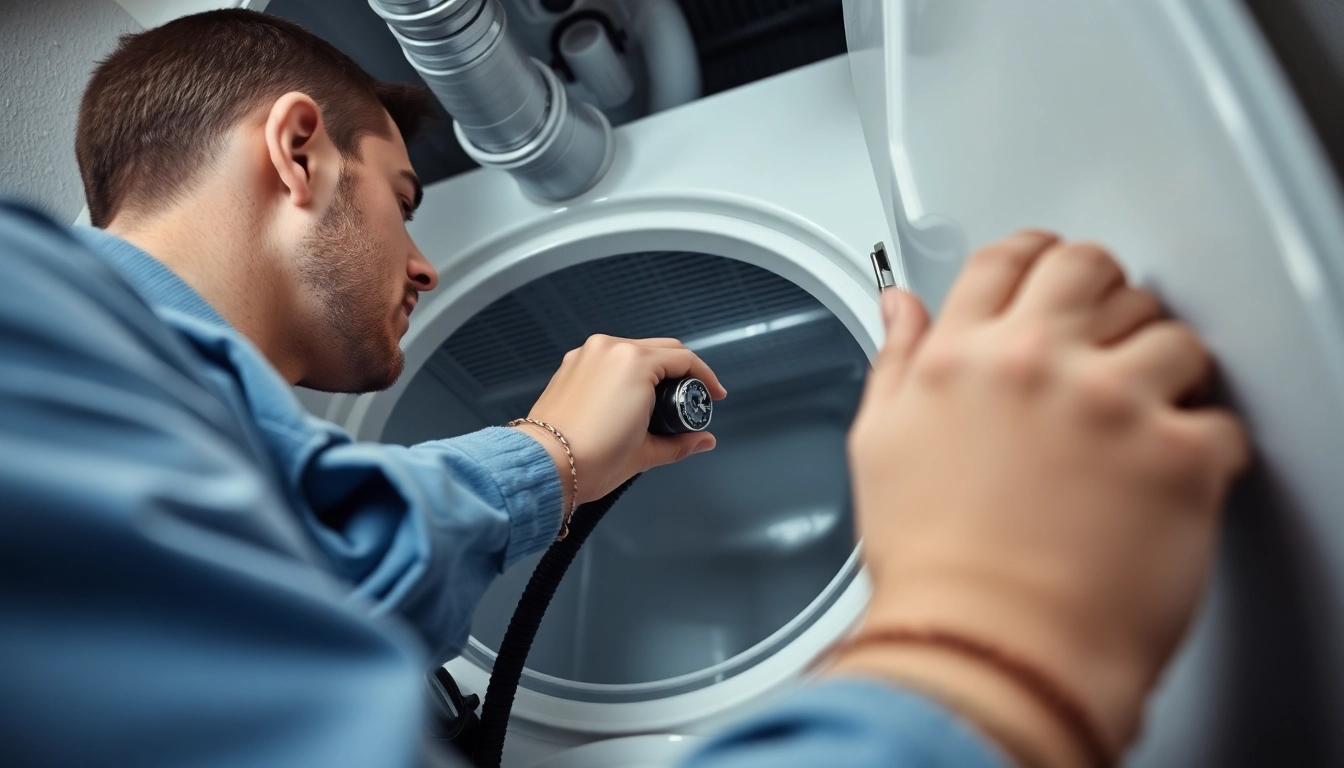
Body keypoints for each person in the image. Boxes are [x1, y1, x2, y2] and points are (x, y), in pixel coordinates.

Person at [0, 9, 1247, 768]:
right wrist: (994, 640)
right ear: (298, 151)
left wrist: (544, 461)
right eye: (406, 199)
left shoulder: (130, 430)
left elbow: (329, 554)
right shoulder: (24, 319)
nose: (427, 264)